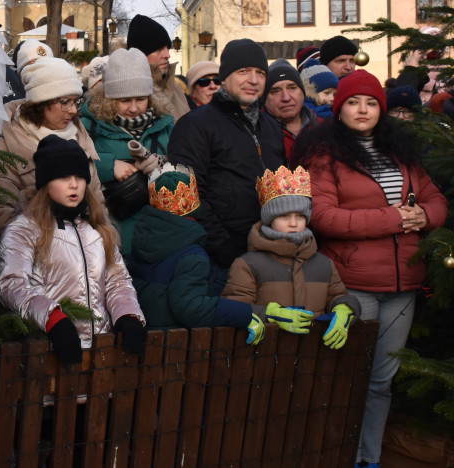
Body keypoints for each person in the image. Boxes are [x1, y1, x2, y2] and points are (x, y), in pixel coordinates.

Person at [293, 70, 448, 468]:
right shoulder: (324, 155)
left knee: (381, 381)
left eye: (372, 102)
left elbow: (436, 201)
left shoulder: (400, 152)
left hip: (403, 285)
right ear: (338, 106)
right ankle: (332, 455)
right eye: (353, 101)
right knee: (346, 378)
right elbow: (324, 217)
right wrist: (396, 219)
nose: (363, 109)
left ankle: (368, 459)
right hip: (353, 284)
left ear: (381, 107)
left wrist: (422, 217)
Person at [0, 135, 147, 365]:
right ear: (46, 182)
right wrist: (53, 319)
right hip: (50, 353)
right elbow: (12, 284)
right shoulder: (24, 229)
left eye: (79, 177)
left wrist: (128, 317)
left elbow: (118, 281)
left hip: (101, 356)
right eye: (63, 177)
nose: (74, 184)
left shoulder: (97, 229)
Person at [167, 39, 285, 288]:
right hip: (219, 261)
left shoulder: (272, 127)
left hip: (271, 251)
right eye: (243, 71)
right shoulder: (196, 125)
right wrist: (225, 251)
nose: (253, 80)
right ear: (225, 77)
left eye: (260, 73)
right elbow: (187, 196)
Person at [221, 165, 361, 348]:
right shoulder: (247, 264)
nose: (293, 223)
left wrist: (345, 309)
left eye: (300, 216)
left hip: (313, 355)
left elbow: (338, 295)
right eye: (284, 216)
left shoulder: (324, 264)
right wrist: (270, 313)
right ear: (270, 219)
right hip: (264, 355)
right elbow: (234, 308)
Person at [129, 165, 264, 343]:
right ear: (194, 206)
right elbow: (191, 308)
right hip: (175, 347)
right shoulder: (192, 255)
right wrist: (245, 315)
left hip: (144, 341)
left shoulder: (141, 241)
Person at [0, 55, 103, 241]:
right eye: (65, 102)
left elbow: (99, 204)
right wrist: (59, 243)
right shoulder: (8, 141)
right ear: (41, 102)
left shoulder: (79, 135)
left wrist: (106, 246)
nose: (74, 110)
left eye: (76, 101)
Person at [79, 48, 174, 255]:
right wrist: (108, 165)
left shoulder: (166, 124)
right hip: (112, 236)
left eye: (141, 99)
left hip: (161, 237)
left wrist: (163, 165)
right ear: (109, 99)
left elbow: (187, 168)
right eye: (124, 100)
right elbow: (72, 164)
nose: (133, 108)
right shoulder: (88, 126)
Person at [126, 14, 190, 120]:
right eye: (159, 49)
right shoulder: (126, 92)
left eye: (167, 48)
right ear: (141, 54)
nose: (167, 55)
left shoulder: (177, 90)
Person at [262, 59, 317, 163]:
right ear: (264, 100)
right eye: (275, 91)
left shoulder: (326, 128)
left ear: (303, 93)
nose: (286, 97)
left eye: (292, 88)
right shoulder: (255, 135)